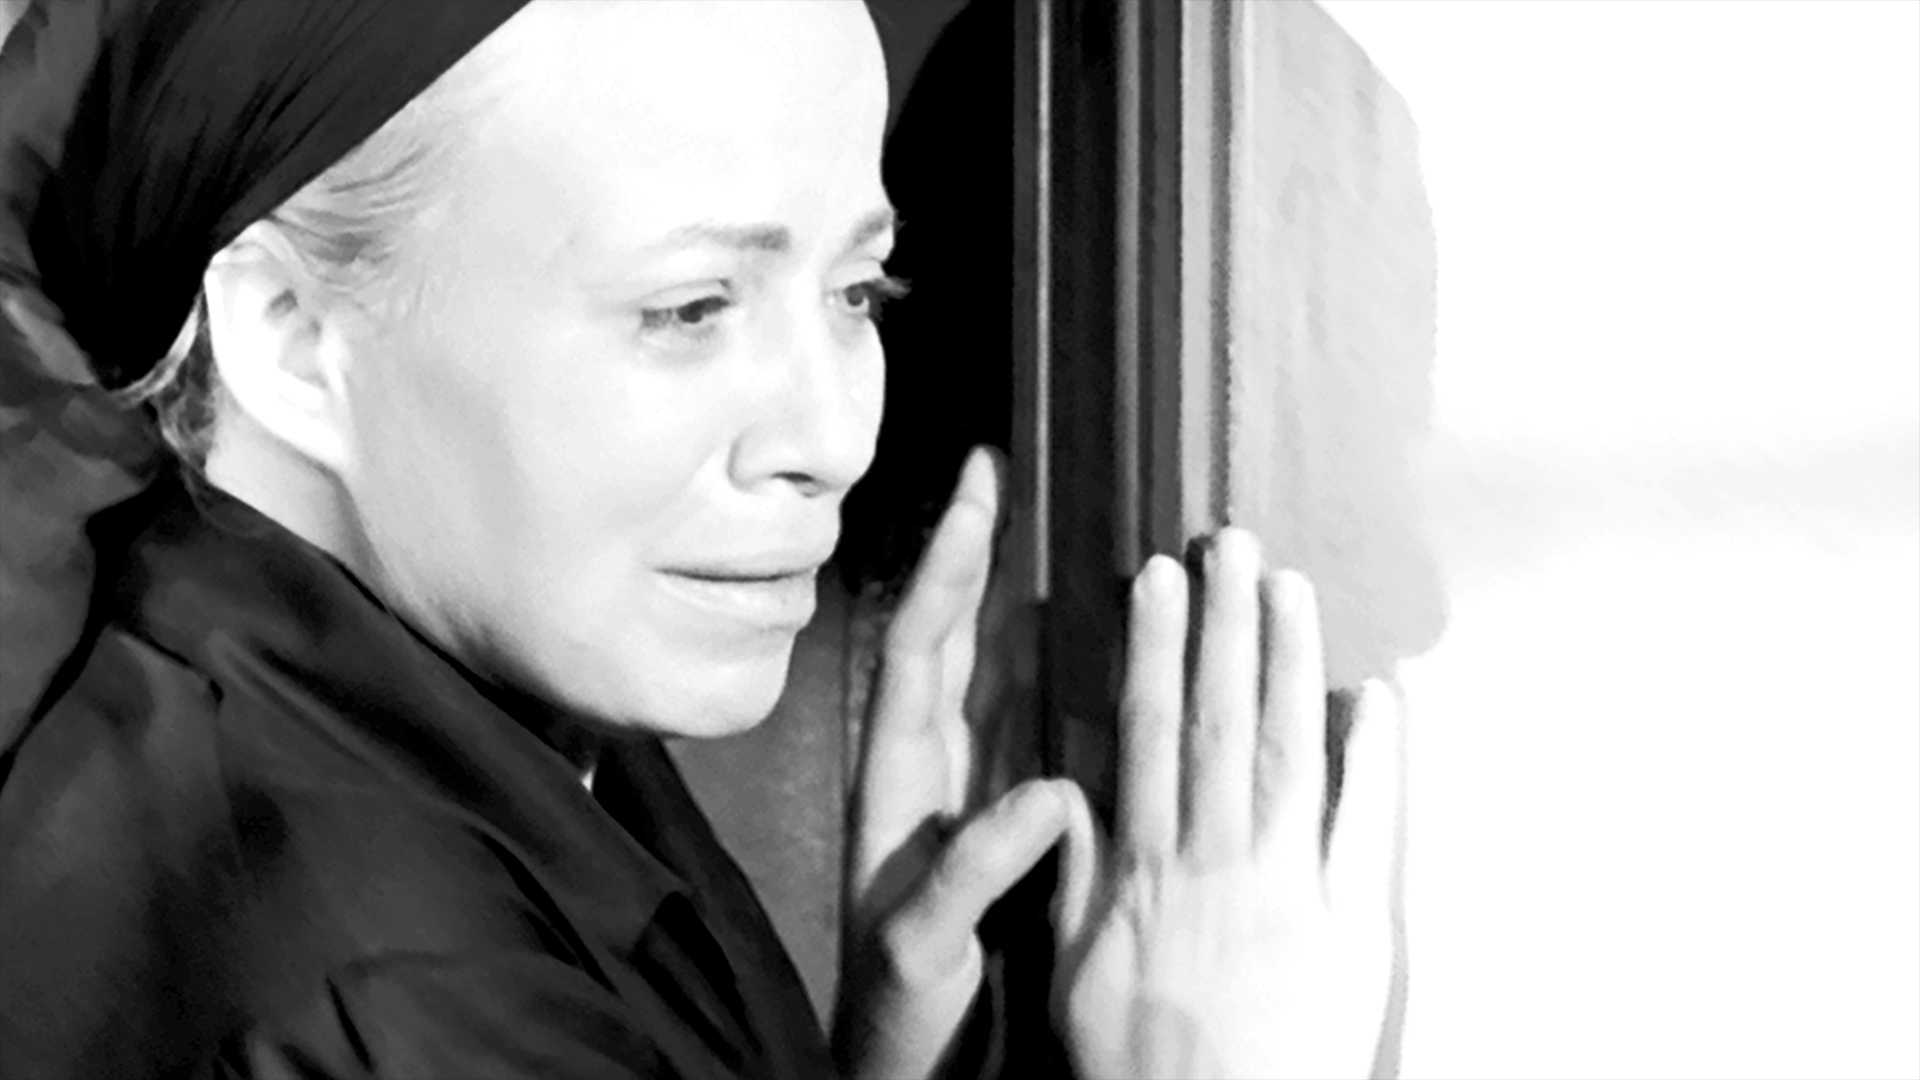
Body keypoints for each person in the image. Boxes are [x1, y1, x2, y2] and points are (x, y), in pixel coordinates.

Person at [0, 2, 1403, 1077]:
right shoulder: (397, 996)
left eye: (859, 292)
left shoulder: (401, 707)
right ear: (292, 335)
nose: (833, 436)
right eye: (689, 309)